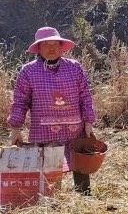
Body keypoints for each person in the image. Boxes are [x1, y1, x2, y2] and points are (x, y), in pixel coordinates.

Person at [7, 26, 98, 196]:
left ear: (61, 46)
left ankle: (84, 197)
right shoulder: (28, 71)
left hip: (75, 129)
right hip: (44, 130)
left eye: (55, 44)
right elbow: (20, 101)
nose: (51, 48)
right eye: (46, 45)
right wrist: (15, 128)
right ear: (38, 48)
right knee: (49, 167)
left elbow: (85, 96)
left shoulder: (74, 67)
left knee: (80, 160)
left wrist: (88, 122)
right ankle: (53, 201)